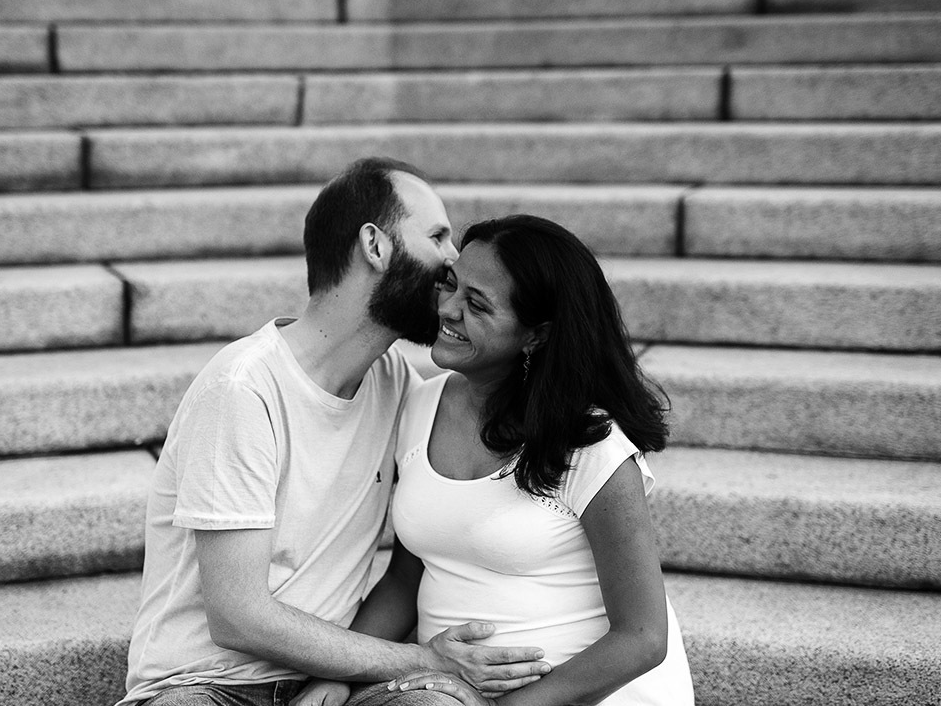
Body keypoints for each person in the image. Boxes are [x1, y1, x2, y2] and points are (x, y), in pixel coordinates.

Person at [117, 160, 552, 706]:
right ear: (375, 244)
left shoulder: (395, 384)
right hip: (208, 687)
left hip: (338, 683)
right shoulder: (242, 390)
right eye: (437, 236)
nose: (452, 263)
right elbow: (238, 617)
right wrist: (426, 657)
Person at [295, 214, 694, 706]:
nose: (447, 308)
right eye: (451, 284)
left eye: (477, 305)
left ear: (536, 335)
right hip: (439, 688)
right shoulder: (423, 406)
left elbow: (642, 637)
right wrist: (337, 673)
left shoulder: (591, 445)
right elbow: (405, 577)